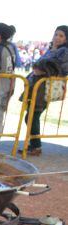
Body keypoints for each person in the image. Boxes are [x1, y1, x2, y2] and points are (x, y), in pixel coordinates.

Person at [20, 26, 68, 155]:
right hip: (37, 86)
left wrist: (43, 69)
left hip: (44, 87)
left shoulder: (64, 51)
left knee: (32, 115)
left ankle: (36, 147)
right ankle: (34, 145)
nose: (57, 37)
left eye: (61, 35)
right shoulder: (52, 49)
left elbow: (58, 68)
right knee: (30, 116)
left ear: (66, 39)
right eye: (56, 34)